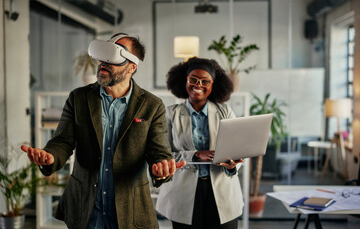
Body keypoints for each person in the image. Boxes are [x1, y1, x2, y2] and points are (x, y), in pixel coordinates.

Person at [21, 33, 185, 229]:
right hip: (86, 209)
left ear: (132, 67)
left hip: (129, 211)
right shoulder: (79, 98)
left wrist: (161, 168)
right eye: (103, 56)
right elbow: (62, 142)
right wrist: (50, 156)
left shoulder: (152, 105)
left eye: (114, 58)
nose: (104, 62)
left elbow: (159, 151)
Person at [156, 57, 244, 229]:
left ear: (213, 85)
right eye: (193, 79)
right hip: (183, 193)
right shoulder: (170, 114)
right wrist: (195, 155)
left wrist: (232, 165)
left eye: (205, 81)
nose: (198, 85)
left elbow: (237, 150)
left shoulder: (224, 111)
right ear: (185, 81)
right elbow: (162, 155)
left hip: (221, 190)